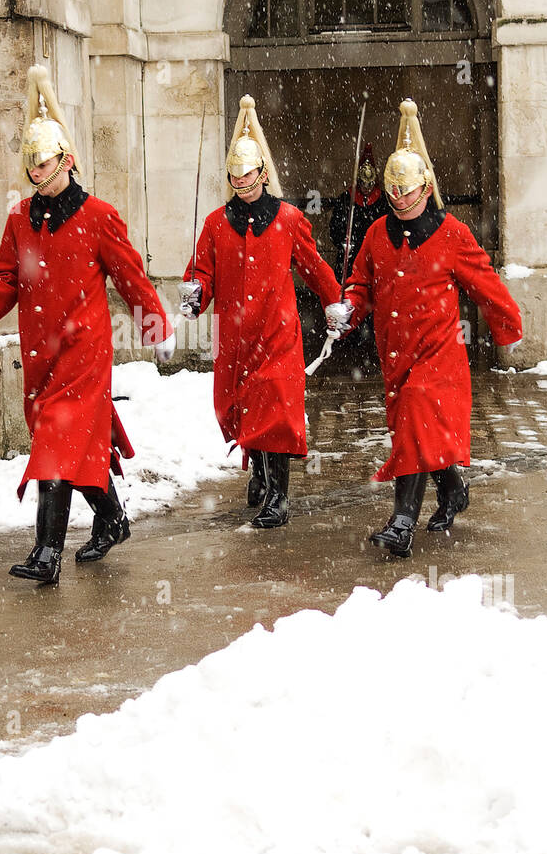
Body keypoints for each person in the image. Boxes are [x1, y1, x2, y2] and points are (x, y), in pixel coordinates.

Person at [0, 66, 174, 586]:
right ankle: (113, 517)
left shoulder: (99, 215)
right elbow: (5, 280)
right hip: (40, 352)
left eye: (45, 165)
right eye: (31, 167)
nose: (37, 175)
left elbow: (131, 278)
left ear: (67, 162)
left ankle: (46, 554)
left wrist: (156, 325)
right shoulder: (17, 218)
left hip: (85, 348)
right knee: (75, 442)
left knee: (56, 438)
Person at [325, 98, 523, 558]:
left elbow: (485, 282)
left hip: (440, 355)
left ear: (425, 187)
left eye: (406, 191)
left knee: (415, 418)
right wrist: (347, 308)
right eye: (393, 192)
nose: (397, 198)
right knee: (418, 434)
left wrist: (506, 325)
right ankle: (453, 490)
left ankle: (401, 524)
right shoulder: (376, 235)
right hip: (396, 353)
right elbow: (360, 284)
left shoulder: (452, 233)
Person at [179, 94, 340, 528]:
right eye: (235, 176)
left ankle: (278, 496)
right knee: (239, 407)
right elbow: (202, 271)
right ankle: (261, 473)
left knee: (277, 409)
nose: (241, 182)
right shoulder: (215, 223)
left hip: (276, 332)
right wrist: (195, 292)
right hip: (234, 337)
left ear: (263, 175)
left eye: (248, 175)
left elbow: (313, 265)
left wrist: (335, 300)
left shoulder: (288, 218)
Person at [328, 143, 386, 373]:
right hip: (351, 255)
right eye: (363, 183)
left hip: (374, 258)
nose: (366, 187)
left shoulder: (382, 202)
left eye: (369, 183)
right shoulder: (346, 200)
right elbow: (335, 227)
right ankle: (349, 336)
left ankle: (370, 335)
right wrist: (343, 239)